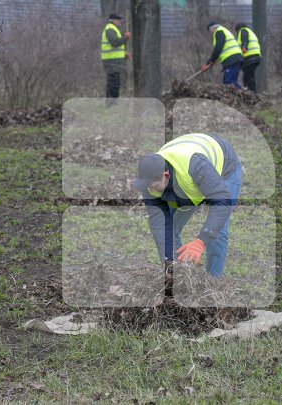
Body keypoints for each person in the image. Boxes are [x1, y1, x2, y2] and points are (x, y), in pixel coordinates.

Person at [132, 133, 242, 279]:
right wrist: (170, 265)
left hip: (225, 168)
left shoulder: (195, 166)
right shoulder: (150, 178)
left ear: (165, 176)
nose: (150, 191)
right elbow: (159, 224)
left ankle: (213, 281)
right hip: (188, 182)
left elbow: (222, 202)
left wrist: (201, 240)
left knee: (218, 232)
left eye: (153, 186)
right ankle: (181, 275)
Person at [201, 22, 244, 90]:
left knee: (229, 81)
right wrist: (208, 63)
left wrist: (212, 60)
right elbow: (219, 51)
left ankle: (243, 94)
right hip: (234, 59)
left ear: (212, 28)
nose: (210, 33)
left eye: (210, 30)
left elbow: (218, 48)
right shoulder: (223, 31)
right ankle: (239, 96)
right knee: (227, 82)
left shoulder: (219, 31)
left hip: (232, 59)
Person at [101, 13, 131, 102]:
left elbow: (115, 48)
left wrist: (124, 53)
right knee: (113, 84)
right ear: (114, 20)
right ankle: (112, 104)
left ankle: (111, 103)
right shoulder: (110, 29)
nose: (120, 22)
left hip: (113, 61)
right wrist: (126, 37)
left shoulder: (113, 29)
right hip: (111, 61)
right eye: (119, 20)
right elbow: (115, 43)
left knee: (113, 83)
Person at [235, 23, 261, 93]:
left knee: (248, 78)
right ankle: (251, 93)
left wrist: (244, 46)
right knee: (248, 77)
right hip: (255, 57)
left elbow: (244, 38)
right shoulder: (251, 32)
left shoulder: (243, 30)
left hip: (250, 57)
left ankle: (252, 94)